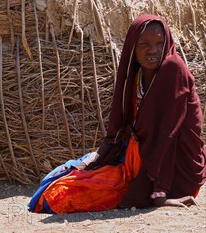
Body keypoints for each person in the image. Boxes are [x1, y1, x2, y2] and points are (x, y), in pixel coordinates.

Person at [29, 14, 205, 214]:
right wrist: (98, 157)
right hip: (141, 156)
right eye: (144, 44)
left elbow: (166, 134)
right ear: (132, 47)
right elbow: (121, 125)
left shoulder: (173, 69)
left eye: (159, 43)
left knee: (60, 197)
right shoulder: (137, 74)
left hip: (173, 170)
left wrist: (160, 194)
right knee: (54, 182)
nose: (153, 50)